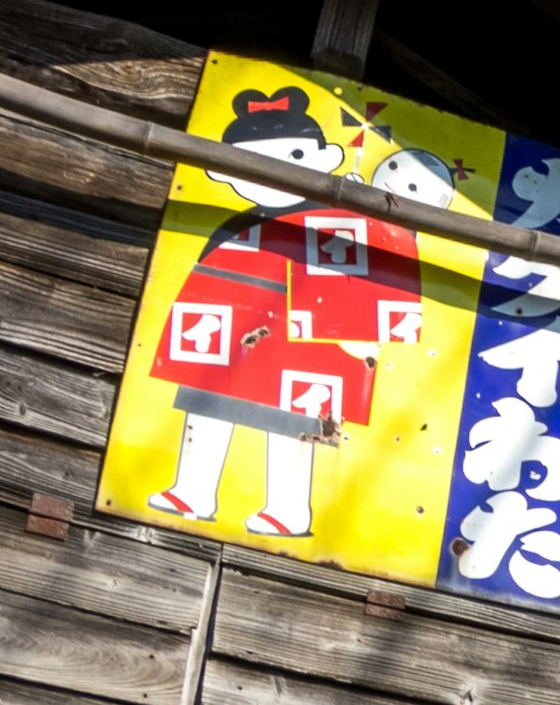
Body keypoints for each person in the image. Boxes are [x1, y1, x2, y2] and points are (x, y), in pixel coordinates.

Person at [142, 87, 424, 539]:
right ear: (222, 169)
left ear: (328, 157)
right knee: (206, 400)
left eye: (294, 154)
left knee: (295, 422)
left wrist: (364, 336)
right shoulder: (232, 225)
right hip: (223, 336)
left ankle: (289, 510)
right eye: (253, 161)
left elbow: (367, 285)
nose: (274, 173)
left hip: (303, 346)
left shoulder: (339, 227)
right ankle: (192, 491)